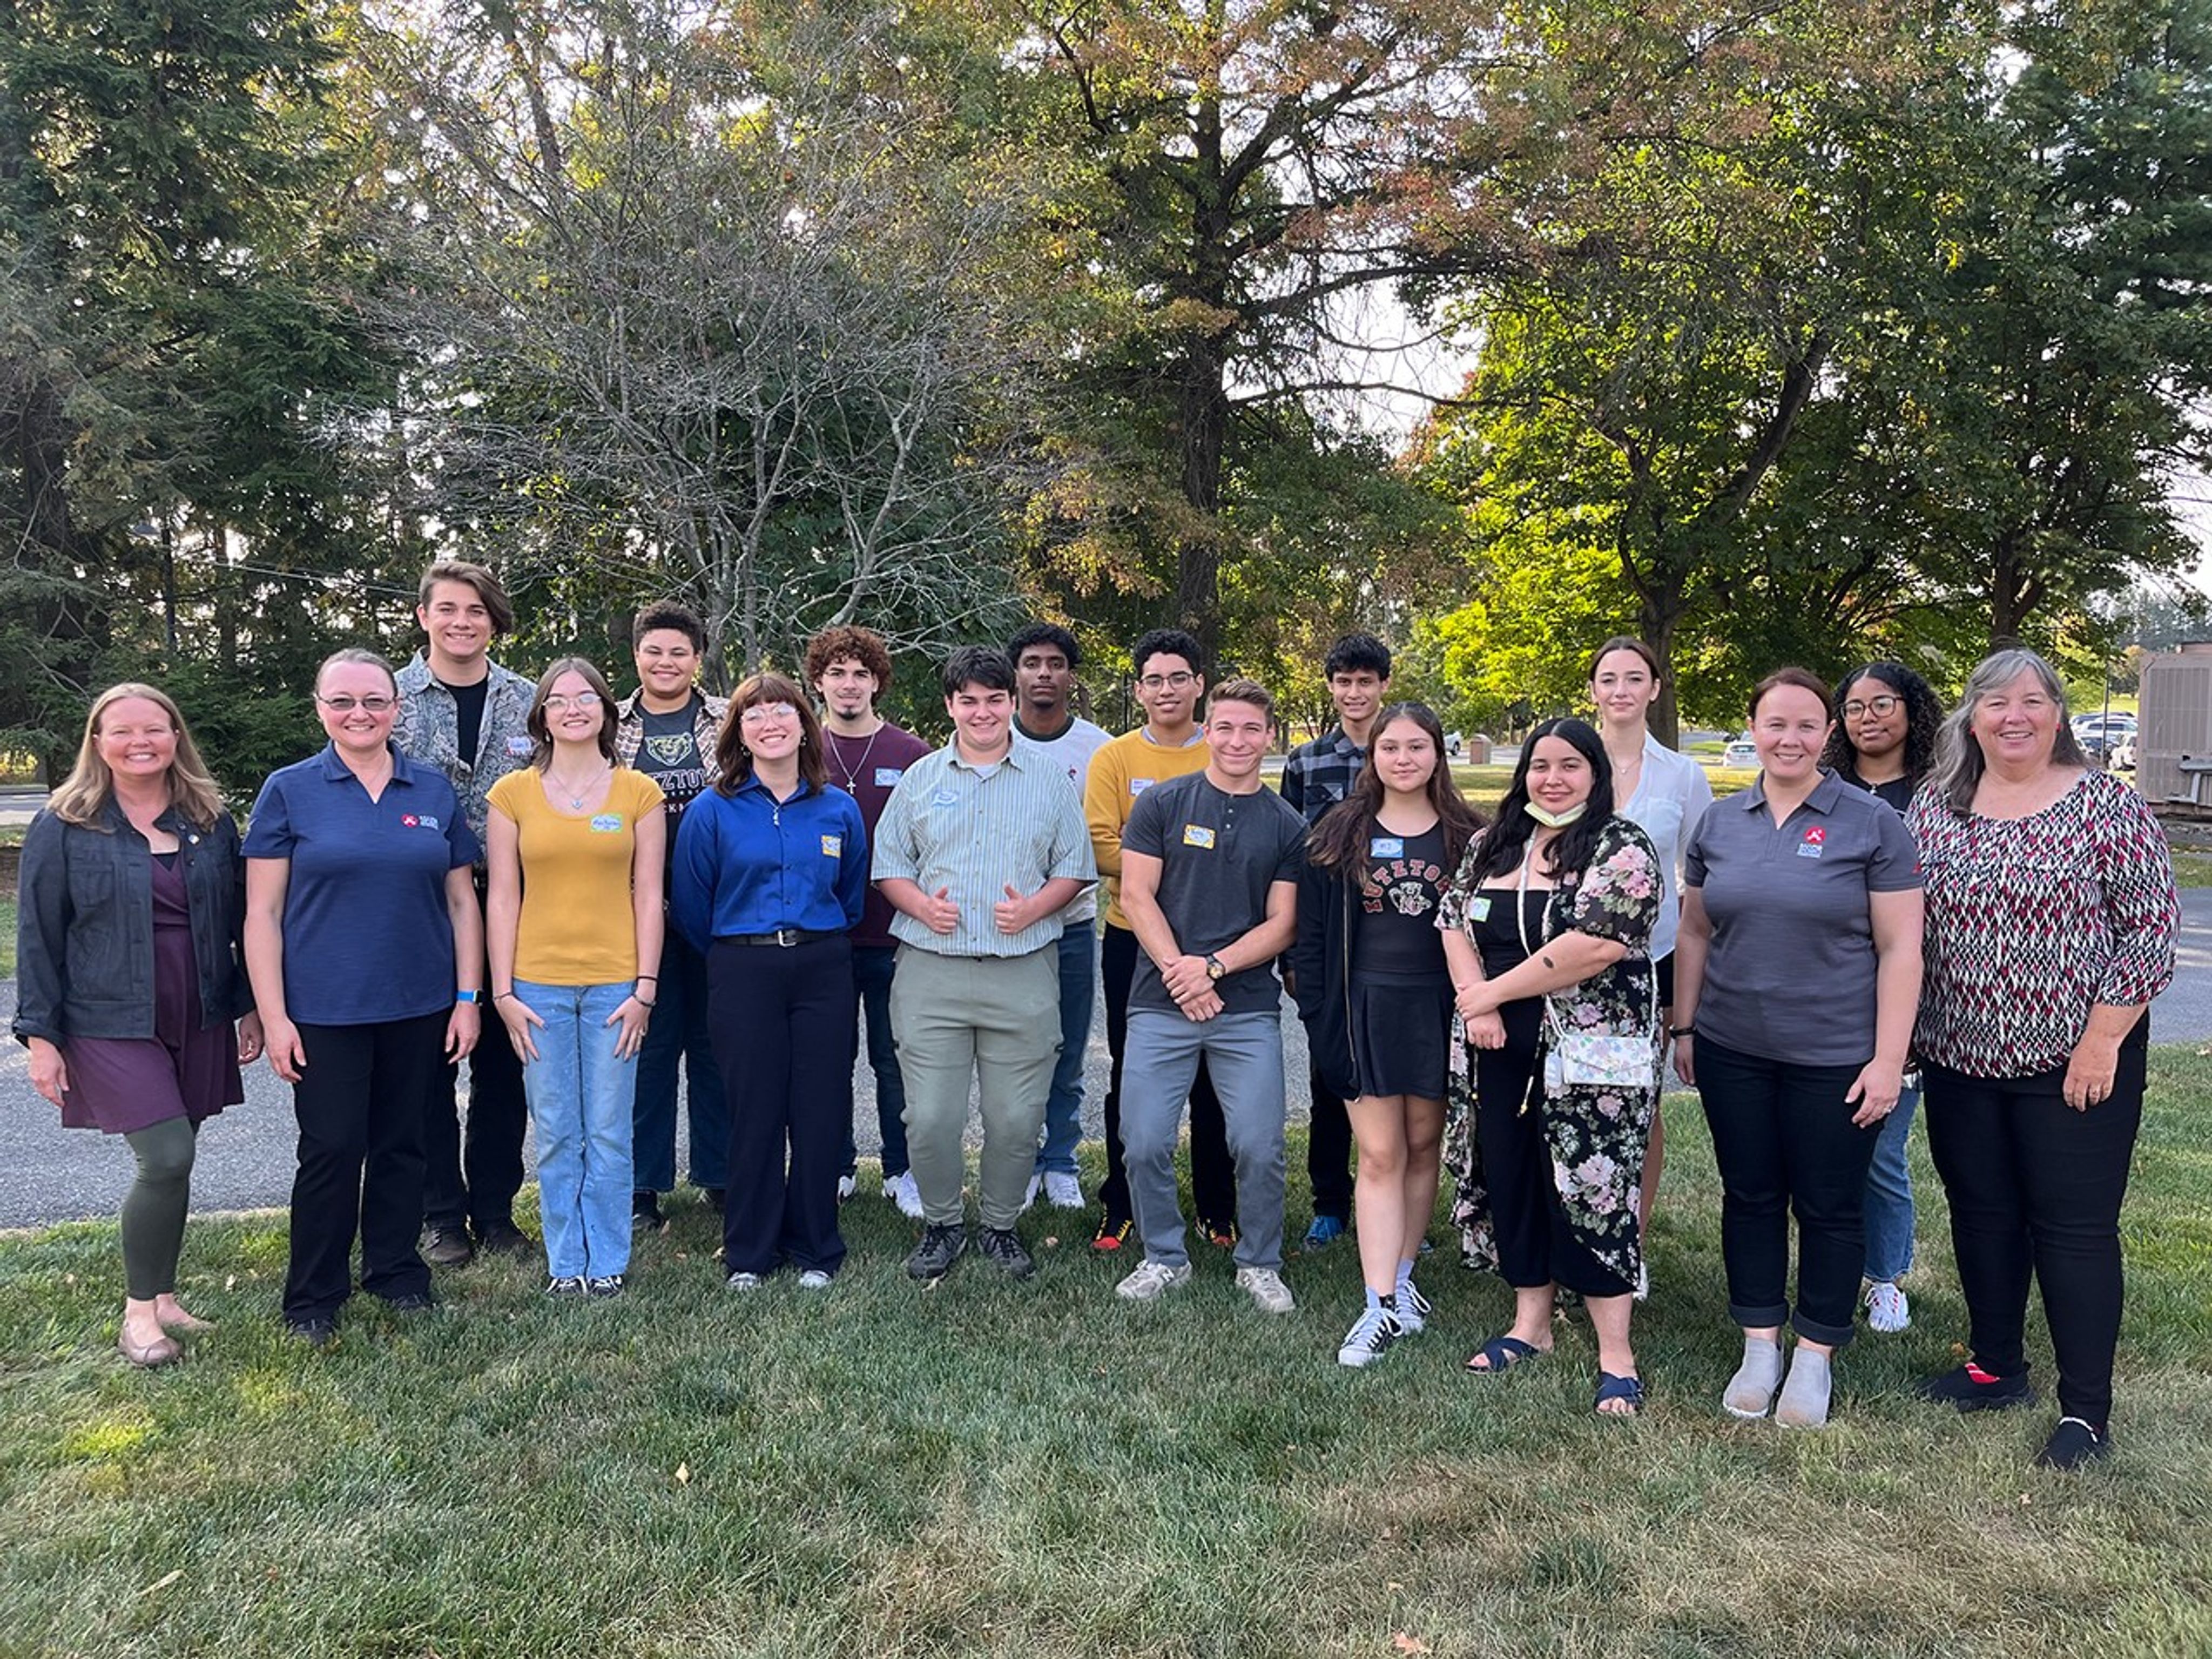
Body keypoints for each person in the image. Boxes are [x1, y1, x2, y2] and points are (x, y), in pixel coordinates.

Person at [1906, 648, 2178, 1469]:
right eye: (1995, 703)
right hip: (1959, 1057)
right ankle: (1996, 1368)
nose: (2013, 716)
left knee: (2073, 1232)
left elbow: (2150, 934)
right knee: (1982, 1216)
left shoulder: (2105, 806)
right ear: (1972, 717)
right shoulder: (1936, 805)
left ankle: (2085, 1412)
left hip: (2076, 1064)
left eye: (2032, 701)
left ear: (2058, 714)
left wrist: (2101, 1044)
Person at [1673, 669, 1923, 1428]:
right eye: (1775, 724)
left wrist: (1887, 1060)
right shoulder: (1719, 822)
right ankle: (1761, 1343)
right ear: (1752, 729)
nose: (1790, 739)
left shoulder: (1872, 822)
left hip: (1837, 1057)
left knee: (1828, 1204)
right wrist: (1684, 1028)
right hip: (1731, 1047)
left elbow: (1902, 948)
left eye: (1808, 725)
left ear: (1829, 734)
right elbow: (1693, 931)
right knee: (1750, 1195)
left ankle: (1815, 1354)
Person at [15, 684, 263, 1368]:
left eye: (154, 729)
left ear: (175, 737)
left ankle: (165, 1296)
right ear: (97, 743)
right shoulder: (65, 824)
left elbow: (238, 921)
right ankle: (137, 1317)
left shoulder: (208, 820)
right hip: (109, 1017)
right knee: (166, 1157)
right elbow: (38, 936)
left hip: (200, 1006)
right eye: (121, 732)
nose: (139, 742)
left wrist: (246, 1006)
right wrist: (42, 1038)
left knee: (180, 1153)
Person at [244, 650, 483, 1345]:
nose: (360, 713)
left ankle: (397, 1271)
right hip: (323, 1011)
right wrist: (275, 1014)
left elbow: (462, 904)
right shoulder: (290, 790)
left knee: (405, 1145)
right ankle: (314, 1297)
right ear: (320, 708)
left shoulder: (431, 791)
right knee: (331, 1150)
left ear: (396, 708)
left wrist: (467, 998)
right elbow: (261, 914)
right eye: (343, 701)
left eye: (374, 701)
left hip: (420, 1006)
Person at [1435, 719, 1663, 1415]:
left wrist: (1491, 994)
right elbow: (1450, 920)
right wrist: (1478, 1009)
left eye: (1570, 765)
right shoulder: (1491, 844)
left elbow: (1594, 945)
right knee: (1514, 1177)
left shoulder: (1621, 848)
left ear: (1596, 774)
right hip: (1498, 1044)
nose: (1553, 778)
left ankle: (1615, 1354)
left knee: (1591, 1191)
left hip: (1589, 1053)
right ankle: (1530, 1325)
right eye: (1540, 765)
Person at [871, 646, 1095, 1281]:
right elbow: (888, 864)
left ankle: (999, 1225)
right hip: (931, 970)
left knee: (1017, 1118)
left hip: (1021, 969)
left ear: (1011, 702)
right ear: (950, 706)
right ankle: (942, 1223)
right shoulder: (920, 778)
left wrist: (1034, 910)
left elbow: (1074, 866)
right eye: (968, 700)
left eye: (994, 700)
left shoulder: (1049, 780)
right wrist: (919, 905)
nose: (982, 712)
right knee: (932, 1115)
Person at [1291, 701, 1481, 1365]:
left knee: (1423, 1143)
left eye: (1417, 748)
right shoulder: (1341, 832)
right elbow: (1309, 940)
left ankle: (1403, 1282)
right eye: (1390, 748)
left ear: (1437, 755)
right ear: (1372, 757)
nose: (1403, 759)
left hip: (1440, 1010)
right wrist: (1318, 1015)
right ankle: (1374, 1307)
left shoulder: (1469, 836)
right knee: (1378, 1154)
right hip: (1363, 1007)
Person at [1112, 679, 1307, 1314]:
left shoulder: (1286, 824)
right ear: (1207, 731)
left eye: (1251, 729)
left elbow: (1282, 923)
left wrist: (1214, 969)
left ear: (1269, 736)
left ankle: (1260, 1262)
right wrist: (1180, 972)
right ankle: (1163, 1256)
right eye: (1224, 727)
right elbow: (1136, 896)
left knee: (1258, 1144)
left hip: (1245, 1006)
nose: (1236, 741)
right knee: (1141, 1140)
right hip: (1160, 999)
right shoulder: (1163, 805)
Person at [672, 673, 868, 1290]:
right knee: (753, 1110)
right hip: (743, 968)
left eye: (783, 711)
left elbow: (851, 896)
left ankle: (815, 1246)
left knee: (819, 1107)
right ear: (739, 733)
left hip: (823, 967)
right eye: (754, 715)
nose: (770, 723)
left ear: (804, 726)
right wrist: (746, 949)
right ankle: (750, 1252)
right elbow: (692, 907)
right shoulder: (712, 810)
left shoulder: (838, 807)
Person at [488, 658, 666, 1298]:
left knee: (611, 1130)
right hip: (535, 988)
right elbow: (502, 897)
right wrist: (502, 992)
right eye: (558, 699)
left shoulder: (638, 793)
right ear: (541, 716)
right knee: (560, 1129)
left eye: (586, 697)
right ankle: (567, 1262)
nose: (572, 708)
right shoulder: (510, 795)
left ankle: (608, 1259)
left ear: (605, 711)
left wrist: (645, 988)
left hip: (618, 987)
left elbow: (649, 896)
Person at [394, 559, 536, 1266]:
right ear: (423, 616)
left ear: (492, 621)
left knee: (505, 1069)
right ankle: (440, 1214)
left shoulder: (529, 700)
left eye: (475, 610)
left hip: (512, 896)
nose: (461, 621)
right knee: (428, 1066)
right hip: (419, 902)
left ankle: (496, 1211)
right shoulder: (390, 701)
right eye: (447, 608)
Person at [1082, 629, 1239, 1250]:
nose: (1166, 689)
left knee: (1212, 1078)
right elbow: (1099, 844)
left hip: (1215, 946)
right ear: (1138, 689)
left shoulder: (1222, 749)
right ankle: (1120, 1203)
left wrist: (1152, 859)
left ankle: (1216, 1207)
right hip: (1134, 940)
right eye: (1153, 679)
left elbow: (1242, 838)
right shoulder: (1115, 759)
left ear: (1199, 684)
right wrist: (1171, 870)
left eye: (1179, 677)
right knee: (1133, 1073)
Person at [1819, 662, 1944, 1333]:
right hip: (1830, 995)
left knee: (1880, 1149)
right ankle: (1829, 1267)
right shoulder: (1824, 791)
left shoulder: (1941, 794)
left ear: (1911, 710)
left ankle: (1886, 1278)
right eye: (1856, 706)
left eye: (1884, 704)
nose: (1869, 717)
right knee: (1827, 1148)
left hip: (1908, 998)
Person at [1586, 637, 1712, 1267]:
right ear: (1593, 691)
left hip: (1651, 961)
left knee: (1641, 1100)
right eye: (1608, 679)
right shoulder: (1570, 761)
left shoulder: (1683, 775)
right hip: (1573, 964)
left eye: (1634, 678)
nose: (1620, 691)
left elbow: (1700, 877)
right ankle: (1579, 1231)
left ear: (1655, 688)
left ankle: (1629, 1240)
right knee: (1576, 1096)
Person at [807, 624, 933, 1218]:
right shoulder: (800, 749)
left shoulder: (912, 755)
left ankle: (901, 1168)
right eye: (837, 673)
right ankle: (834, 1164)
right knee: (828, 1058)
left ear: (877, 682)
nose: (849, 684)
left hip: (894, 935)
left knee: (893, 1058)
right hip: (822, 935)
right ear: (818, 681)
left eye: (861, 673)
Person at [615, 601, 730, 1229]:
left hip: (714, 908)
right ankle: (641, 1188)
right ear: (638, 655)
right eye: (654, 651)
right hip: (634, 910)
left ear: (697, 658)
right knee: (648, 1047)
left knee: (716, 1045)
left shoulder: (726, 718)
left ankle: (720, 1174)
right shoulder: (609, 724)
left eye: (679, 652)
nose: (666, 662)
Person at [1279, 631, 1393, 1251]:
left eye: (1365, 682)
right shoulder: (1305, 762)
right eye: (1343, 682)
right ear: (1330, 687)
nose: (1354, 693)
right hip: (1327, 933)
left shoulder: (1403, 748)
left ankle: (1398, 1198)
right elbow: (1290, 861)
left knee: (1396, 1076)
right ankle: (1329, 1200)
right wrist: (1292, 955)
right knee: (1331, 1071)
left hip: (1392, 934)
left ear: (1383, 686)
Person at [1009, 621, 1112, 1211]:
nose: (1043, 674)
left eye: (1055, 663)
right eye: (1031, 663)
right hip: (1009, 929)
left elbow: (1100, 841)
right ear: (1016, 673)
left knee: (1067, 1050)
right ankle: (1020, 1160)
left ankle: (1060, 1160)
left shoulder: (1097, 748)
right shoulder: (992, 737)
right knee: (1016, 1052)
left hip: (1071, 924)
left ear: (1070, 675)